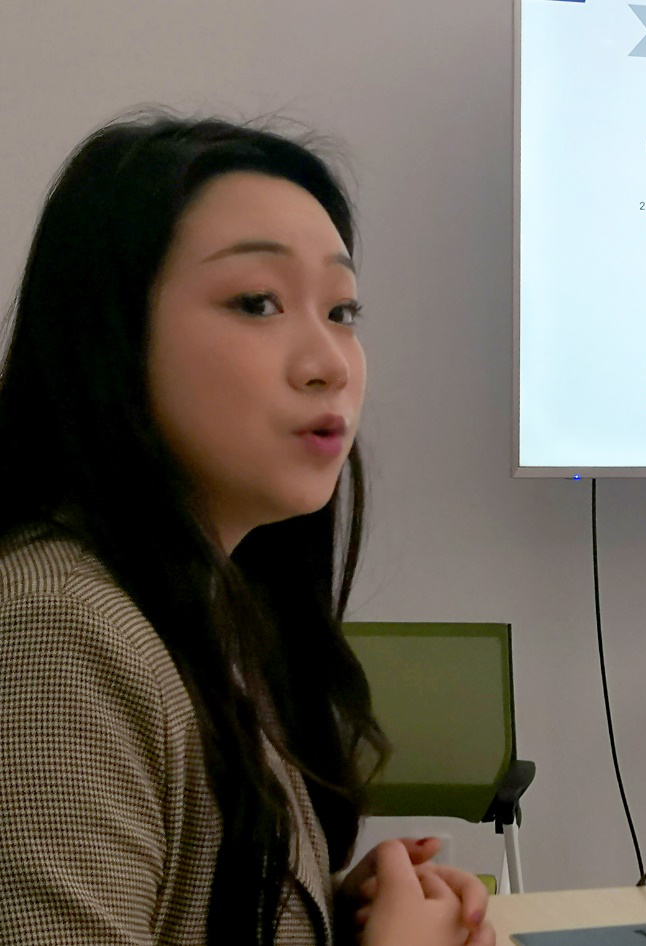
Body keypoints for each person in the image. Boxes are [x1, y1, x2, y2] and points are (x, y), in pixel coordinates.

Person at [0, 113, 494, 946]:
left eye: (342, 310)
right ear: (110, 334)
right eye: (258, 302)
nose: (330, 363)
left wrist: (324, 912)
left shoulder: (204, 605)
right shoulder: (58, 629)